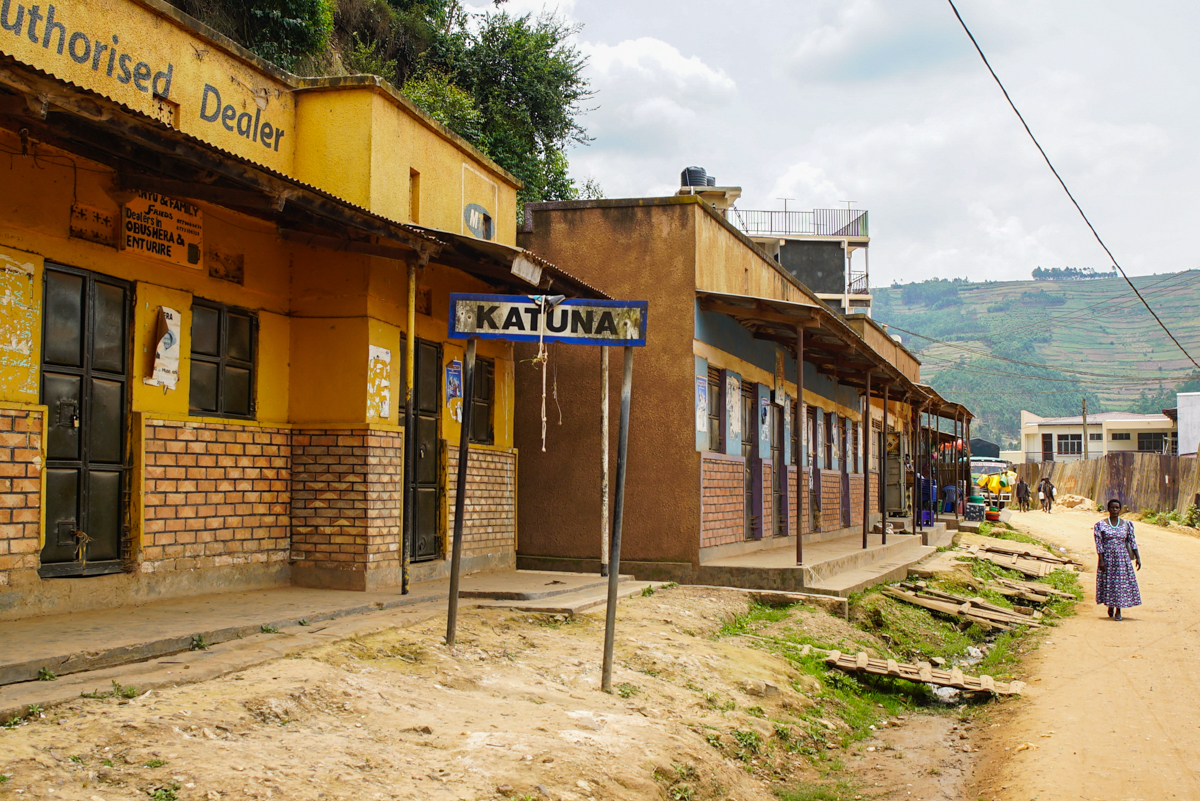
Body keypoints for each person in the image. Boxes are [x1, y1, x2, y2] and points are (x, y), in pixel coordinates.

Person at [1094, 498, 1142, 620]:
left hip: (1122, 559)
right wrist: (1101, 560)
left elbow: (1132, 541)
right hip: (1108, 558)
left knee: (1120, 584)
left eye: (1117, 508)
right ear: (1108, 509)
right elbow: (1099, 544)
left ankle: (1118, 610)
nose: (1115, 510)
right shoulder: (1100, 525)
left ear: (1120, 509)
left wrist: (1138, 557)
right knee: (1110, 583)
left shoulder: (1127, 524)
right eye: (1112, 508)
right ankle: (1110, 605)